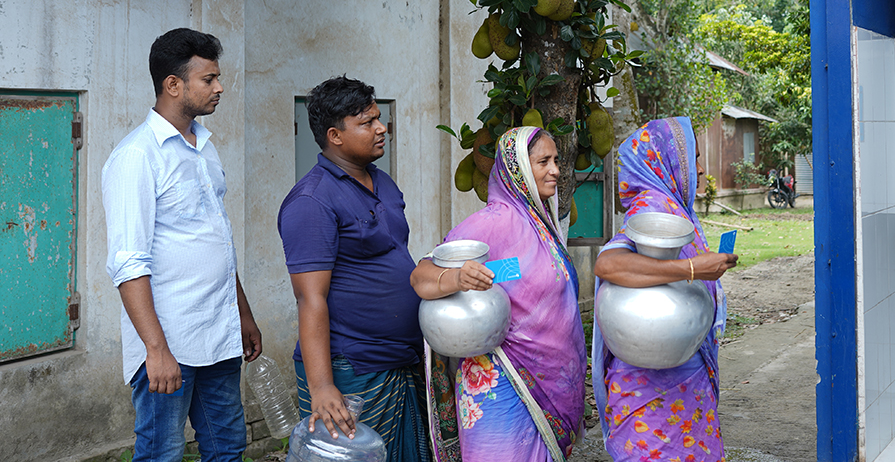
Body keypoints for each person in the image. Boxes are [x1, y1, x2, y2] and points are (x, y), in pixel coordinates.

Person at [102, 28, 262, 462]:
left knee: (228, 447)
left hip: (218, 334)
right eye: (208, 79)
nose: (220, 87)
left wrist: (242, 313)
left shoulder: (204, 147)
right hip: (168, 342)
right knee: (162, 453)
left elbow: (216, 238)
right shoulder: (137, 157)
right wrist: (156, 350)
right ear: (173, 85)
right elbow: (128, 261)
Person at [277, 76, 429, 462]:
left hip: (400, 360)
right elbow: (311, 298)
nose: (380, 129)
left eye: (378, 119)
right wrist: (322, 386)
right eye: (367, 123)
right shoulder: (312, 200)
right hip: (354, 369)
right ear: (335, 135)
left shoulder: (382, 182)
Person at [411, 126, 585, 462]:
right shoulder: (493, 221)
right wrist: (457, 277)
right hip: (503, 382)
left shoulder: (542, 222)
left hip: (548, 383)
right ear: (518, 168)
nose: (555, 170)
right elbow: (422, 275)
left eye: (556, 160)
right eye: (543, 162)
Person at [592, 116, 738, 462]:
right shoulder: (653, 209)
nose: (700, 170)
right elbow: (608, 264)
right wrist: (691, 268)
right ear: (666, 161)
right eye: (695, 159)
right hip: (653, 389)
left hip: (682, 381)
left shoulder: (675, 210)